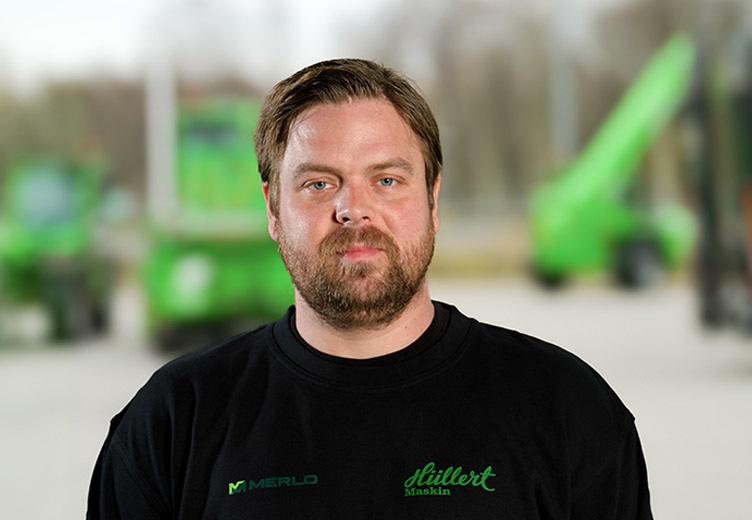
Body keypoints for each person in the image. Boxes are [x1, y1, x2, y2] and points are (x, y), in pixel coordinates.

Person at [87, 58, 653, 519]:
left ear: (432, 200)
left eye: (386, 180)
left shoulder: (565, 408)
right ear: (273, 210)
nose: (353, 209)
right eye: (318, 183)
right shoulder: (172, 422)